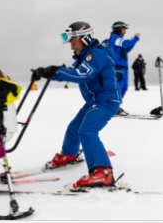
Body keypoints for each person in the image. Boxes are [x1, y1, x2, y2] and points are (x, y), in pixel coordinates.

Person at [32, 21, 122, 189]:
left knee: (87, 131)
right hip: (94, 101)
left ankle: (102, 172)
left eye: (73, 43)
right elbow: (71, 71)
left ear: (84, 39)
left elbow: (83, 75)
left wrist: (56, 71)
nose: (72, 47)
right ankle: (69, 155)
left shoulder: (97, 55)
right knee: (74, 129)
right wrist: (48, 72)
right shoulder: (84, 57)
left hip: (107, 101)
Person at [109, 22, 140, 115]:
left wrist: (135, 40)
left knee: (124, 88)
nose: (125, 32)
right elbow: (125, 43)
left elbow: (127, 49)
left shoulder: (119, 39)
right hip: (117, 67)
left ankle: (116, 107)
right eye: (124, 29)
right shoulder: (115, 38)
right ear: (118, 29)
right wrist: (135, 38)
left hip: (124, 67)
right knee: (118, 87)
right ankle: (112, 107)